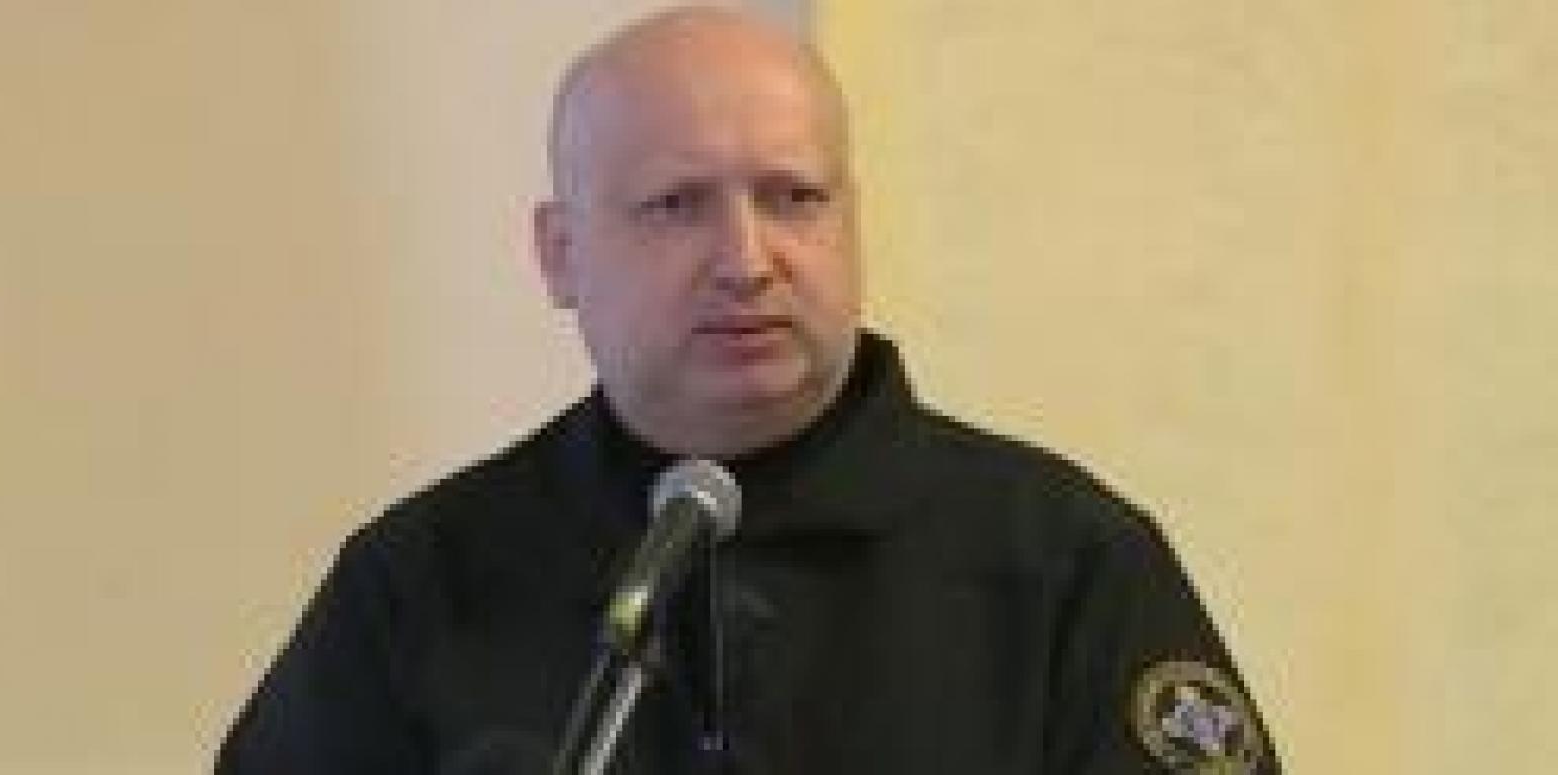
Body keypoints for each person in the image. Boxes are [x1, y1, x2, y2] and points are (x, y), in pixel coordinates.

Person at [217, 5, 1281, 774]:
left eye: (792, 197)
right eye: (676, 204)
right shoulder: (423, 581)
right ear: (559, 253)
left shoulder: (1063, 561)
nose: (745, 259)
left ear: (852, 222)